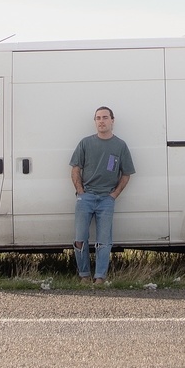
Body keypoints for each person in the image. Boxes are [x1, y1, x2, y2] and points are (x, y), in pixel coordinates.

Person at [70, 106, 134, 285]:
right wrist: (80, 192)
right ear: (95, 121)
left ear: (112, 121)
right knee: (79, 239)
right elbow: (75, 169)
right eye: (98, 118)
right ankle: (84, 275)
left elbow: (126, 173)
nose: (101, 121)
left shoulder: (120, 145)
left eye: (105, 117)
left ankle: (100, 278)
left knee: (104, 241)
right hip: (86, 198)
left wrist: (114, 194)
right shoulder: (85, 143)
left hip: (106, 199)